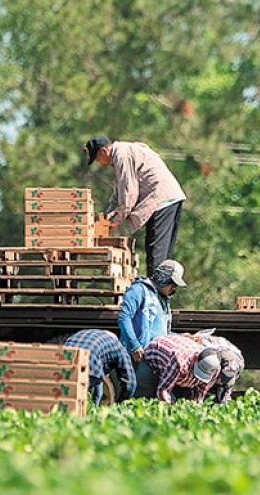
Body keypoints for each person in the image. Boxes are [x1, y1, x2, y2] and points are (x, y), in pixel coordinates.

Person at [84, 136, 186, 277]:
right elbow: (119, 191)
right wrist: (107, 214)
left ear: (103, 151)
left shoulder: (121, 156)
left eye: (97, 159)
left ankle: (154, 295)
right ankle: (163, 295)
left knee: (156, 255)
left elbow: (128, 195)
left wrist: (115, 221)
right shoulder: (124, 152)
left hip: (161, 199)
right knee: (164, 257)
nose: (99, 163)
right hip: (172, 197)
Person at [117, 259, 187, 396]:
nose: (174, 289)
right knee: (136, 394)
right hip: (139, 356)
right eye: (172, 284)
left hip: (156, 358)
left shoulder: (163, 301)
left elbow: (161, 332)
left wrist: (181, 337)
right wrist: (135, 345)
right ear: (163, 278)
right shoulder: (139, 289)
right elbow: (124, 317)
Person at [141, 333, 221, 404]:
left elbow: (201, 392)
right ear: (196, 358)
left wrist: (197, 407)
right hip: (153, 358)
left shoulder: (215, 369)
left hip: (175, 371)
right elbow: (163, 390)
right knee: (144, 394)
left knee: (182, 398)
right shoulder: (180, 361)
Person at [64, 329, 136, 406]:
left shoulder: (88, 333)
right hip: (89, 365)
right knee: (86, 402)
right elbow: (130, 383)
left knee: (67, 396)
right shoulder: (118, 346)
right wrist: (121, 402)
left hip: (65, 360)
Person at [202, 334, 245, 404]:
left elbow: (228, 389)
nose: (221, 382)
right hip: (211, 350)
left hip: (228, 352)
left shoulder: (238, 365)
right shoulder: (210, 358)